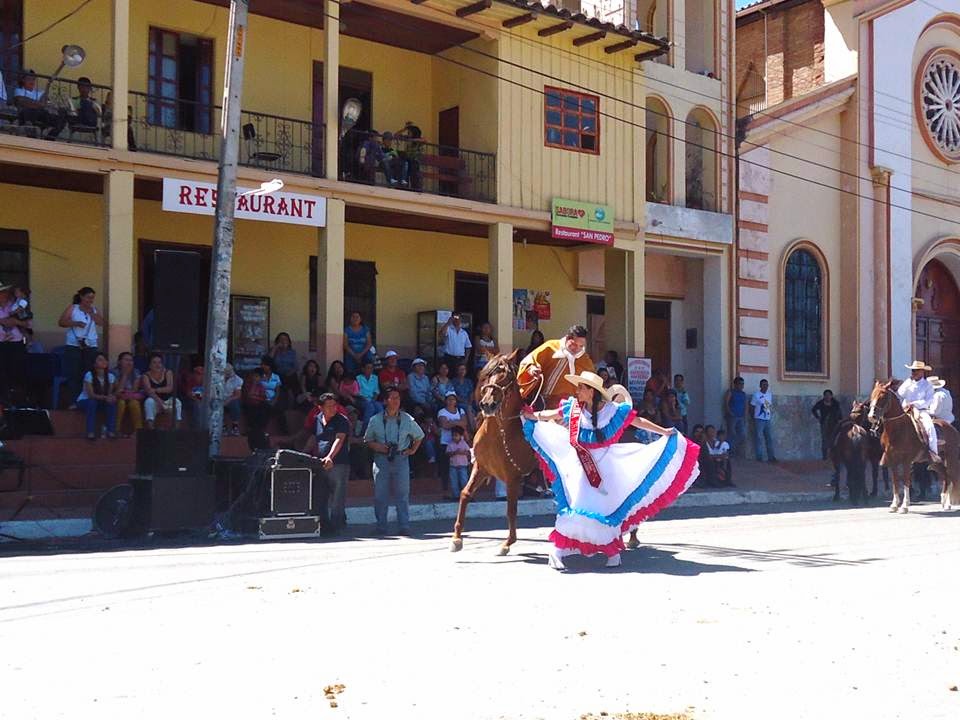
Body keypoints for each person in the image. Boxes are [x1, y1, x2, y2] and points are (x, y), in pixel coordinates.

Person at [523, 371, 699, 570]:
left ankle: (612, 553)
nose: (577, 391)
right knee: (577, 506)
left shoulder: (612, 410)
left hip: (607, 469)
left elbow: (637, 421)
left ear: (591, 391)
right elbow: (552, 414)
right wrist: (533, 416)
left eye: (581, 387)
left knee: (604, 510)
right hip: (581, 469)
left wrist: (663, 431)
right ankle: (559, 550)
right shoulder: (573, 408)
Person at [363, 386, 424, 536]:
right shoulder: (375, 420)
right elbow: (367, 440)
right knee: (380, 495)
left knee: (402, 494)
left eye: (398, 397)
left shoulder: (407, 419)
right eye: (392, 397)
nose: (396, 401)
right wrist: (378, 446)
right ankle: (381, 526)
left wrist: (413, 450)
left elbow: (419, 436)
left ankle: (404, 526)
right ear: (385, 400)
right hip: (381, 459)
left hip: (401, 458)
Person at [304, 392, 351, 534]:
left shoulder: (341, 420)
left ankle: (337, 526)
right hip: (319, 462)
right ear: (320, 407)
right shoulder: (317, 418)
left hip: (338, 463)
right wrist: (304, 453)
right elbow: (314, 438)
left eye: (334, 405)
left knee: (338, 496)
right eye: (329, 406)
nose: (332, 408)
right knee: (320, 495)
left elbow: (339, 439)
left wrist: (330, 457)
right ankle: (323, 525)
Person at [518, 324, 595, 409]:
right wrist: (531, 370)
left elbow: (592, 381)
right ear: (567, 338)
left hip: (571, 406)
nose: (577, 349)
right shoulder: (550, 346)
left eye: (581, 346)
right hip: (543, 402)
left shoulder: (585, 360)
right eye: (574, 344)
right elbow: (529, 361)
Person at [59, 286, 103, 408]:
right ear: (82, 297)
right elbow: (61, 322)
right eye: (88, 297)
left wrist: (92, 313)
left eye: (92, 297)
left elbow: (101, 322)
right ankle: (73, 401)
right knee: (73, 374)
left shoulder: (94, 309)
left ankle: (87, 399)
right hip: (74, 345)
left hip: (90, 345)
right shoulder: (73, 308)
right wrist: (75, 323)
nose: (91, 300)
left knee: (88, 373)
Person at [898, 360, 941, 467]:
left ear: (922, 372)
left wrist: (914, 404)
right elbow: (900, 393)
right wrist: (908, 382)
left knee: (930, 427)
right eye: (913, 370)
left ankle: (933, 453)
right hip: (905, 410)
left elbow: (928, 400)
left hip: (920, 411)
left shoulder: (927, 385)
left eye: (916, 370)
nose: (914, 372)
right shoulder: (908, 382)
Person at [13, 70, 66, 139]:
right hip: (25, 115)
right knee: (29, 110)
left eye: (33, 79)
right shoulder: (19, 90)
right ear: (23, 80)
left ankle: (49, 138)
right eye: (29, 79)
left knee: (62, 116)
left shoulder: (40, 92)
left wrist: (48, 85)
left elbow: (43, 104)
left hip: (41, 114)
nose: (32, 81)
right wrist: (40, 104)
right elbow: (24, 103)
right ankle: (32, 137)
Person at [77, 352, 117, 440]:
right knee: (92, 403)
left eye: (105, 359)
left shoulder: (110, 376)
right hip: (85, 400)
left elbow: (109, 393)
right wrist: (106, 398)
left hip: (101, 401)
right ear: (94, 364)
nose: (104, 361)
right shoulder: (89, 375)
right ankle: (90, 432)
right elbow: (91, 395)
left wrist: (110, 397)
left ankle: (111, 431)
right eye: (100, 359)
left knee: (112, 404)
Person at [437, 390, 467, 494]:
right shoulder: (441, 412)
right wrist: (458, 423)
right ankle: (447, 492)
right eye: (449, 399)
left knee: (463, 469)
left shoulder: (461, 410)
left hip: (460, 443)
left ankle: (463, 492)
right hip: (446, 443)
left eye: (453, 399)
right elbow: (444, 425)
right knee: (446, 469)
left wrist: (451, 422)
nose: (451, 401)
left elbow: (464, 424)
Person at [142, 352, 181, 430]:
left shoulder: (168, 372)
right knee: (149, 402)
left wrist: (156, 389)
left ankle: (176, 430)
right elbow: (149, 391)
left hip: (168, 399)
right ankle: (151, 429)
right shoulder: (145, 376)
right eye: (154, 362)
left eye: (160, 362)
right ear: (149, 365)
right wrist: (160, 402)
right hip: (155, 400)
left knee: (177, 402)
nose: (158, 365)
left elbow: (170, 388)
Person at [114, 351, 143, 437]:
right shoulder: (113, 372)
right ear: (119, 362)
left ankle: (138, 431)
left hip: (131, 397)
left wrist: (128, 394)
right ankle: (116, 430)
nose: (129, 362)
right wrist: (125, 375)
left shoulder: (136, 371)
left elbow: (135, 389)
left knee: (134, 403)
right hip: (118, 398)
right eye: (126, 360)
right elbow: (117, 390)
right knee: (121, 403)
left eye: (131, 360)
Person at [259, 355, 288, 435]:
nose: (263, 366)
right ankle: (262, 432)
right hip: (262, 399)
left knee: (281, 412)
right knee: (264, 410)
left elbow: (277, 391)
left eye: (265, 365)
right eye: (262, 364)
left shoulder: (276, 377)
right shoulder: (260, 376)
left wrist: (274, 401)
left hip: (273, 400)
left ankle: (285, 433)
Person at [750, 379, 777, 463]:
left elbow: (768, 406)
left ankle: (771, 457)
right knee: (759, 438)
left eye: (766, 385)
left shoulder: (769, 395)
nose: (765, 386)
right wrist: (753, 417)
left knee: (769, 438)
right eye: (763, 385)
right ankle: (759, 457)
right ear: (760, 386)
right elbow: (752, 406)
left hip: (767, 419)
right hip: (759, 419)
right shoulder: (756, 395)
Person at [811, 389, 842, 461]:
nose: (827, 397)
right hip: (824, 423)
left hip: (835, 423)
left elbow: (839, 412)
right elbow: (813, 410)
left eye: (829, 395)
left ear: (831, 396)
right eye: (826, 395)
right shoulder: (821, 403)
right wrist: (818, 417)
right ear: (824, 396)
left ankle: (834, 456)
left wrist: (840, 419)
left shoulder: (835, 403)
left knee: (835, 439)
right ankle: (825, 457)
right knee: (825, 440)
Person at [723, 377, 748, 458]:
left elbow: (745, 405)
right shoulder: (730, 392)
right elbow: (726, 403)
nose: (742, 386)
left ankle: (737, 451)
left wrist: (745, 415)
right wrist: (730, 412)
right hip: (732, 417)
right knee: (731, 434)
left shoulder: (743, 394)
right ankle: (729, 451)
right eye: (740, 384)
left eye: (742, 384)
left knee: (742, 435)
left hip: (741, 417)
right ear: (735, 384)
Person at [446, 426, 471, 498]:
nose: (454, 437)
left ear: (461, 436)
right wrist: (455, 453)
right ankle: (456, 496)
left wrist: (462, 452)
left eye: (456, 435)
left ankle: (466, 495)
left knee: (464, 481)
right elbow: (447, 454)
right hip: (453, 466)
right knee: (454, 482)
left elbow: (469, 452)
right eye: (453, 435)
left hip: (463, 466)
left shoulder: (464, 444)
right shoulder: (450, 444)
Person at [356, 359, 383, 426]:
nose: (370, 370)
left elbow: (376, 391)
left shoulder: (375, 378)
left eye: (371, 368)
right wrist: (367, 400)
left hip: (372, 399)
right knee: (370, 407)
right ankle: (365, 430)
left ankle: (380, 430)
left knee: (379, 407)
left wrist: (373, 400)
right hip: (361, 400)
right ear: (363, 369)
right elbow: (357, 393)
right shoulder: (358, 378)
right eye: (368, 368)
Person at [451, 363, 476, 430]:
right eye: (460, 369)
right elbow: (453, 394)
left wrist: (470, 401)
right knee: (468, 408)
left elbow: (471, 392)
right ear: (457, 371)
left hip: (469, 401)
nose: (462, 371)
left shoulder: (468, 381)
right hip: (458, 402)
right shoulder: (453, 381)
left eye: (464, 369)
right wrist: (464, 401)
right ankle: (473, 428)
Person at [223, 363, 243, 436]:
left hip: (230, 398)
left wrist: (228, 400)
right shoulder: (216, 377)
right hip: (218, 397)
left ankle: (235, 426)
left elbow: (238, 394)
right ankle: (223, 426)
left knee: (235, 405)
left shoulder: (238, 380)